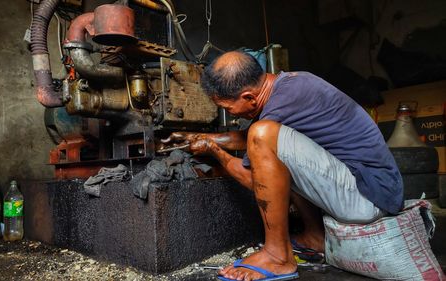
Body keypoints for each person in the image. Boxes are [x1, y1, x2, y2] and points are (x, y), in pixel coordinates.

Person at [161, 51, 403, 281]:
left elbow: (253, 178)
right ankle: (315, 237)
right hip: (370, 189)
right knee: (264, 136)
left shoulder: (280, 104)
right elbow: (246, 138)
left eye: (227, 108)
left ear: (249, 97)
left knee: (262, 133)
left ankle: (278, 256)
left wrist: (214, 152)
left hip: (368, 198)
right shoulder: (289, 86)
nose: (231, 114)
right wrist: (195, 137)